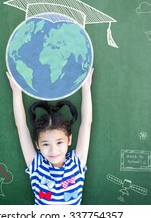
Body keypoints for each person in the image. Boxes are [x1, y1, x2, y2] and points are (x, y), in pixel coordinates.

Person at [6, 69, 93, 205]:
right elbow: (21, 126)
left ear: (69, 140)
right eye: (46, 144)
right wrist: (16, 92)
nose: (53, 150)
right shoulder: (37, 166)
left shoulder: (77, 163)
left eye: (59, 142)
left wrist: (86, 87)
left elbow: (86, 124)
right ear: (37, 145)